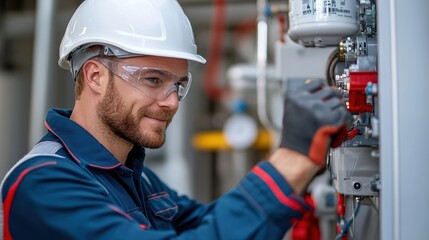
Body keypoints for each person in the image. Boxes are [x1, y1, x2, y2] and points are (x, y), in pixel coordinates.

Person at [0, 0, 350, 239]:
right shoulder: (44, 183)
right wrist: (290, 161)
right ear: (95, 76)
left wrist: (302, 171)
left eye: (178, 84)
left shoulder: (133, 176)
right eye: (153, 80)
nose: (170, 102)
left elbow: (207, 225)